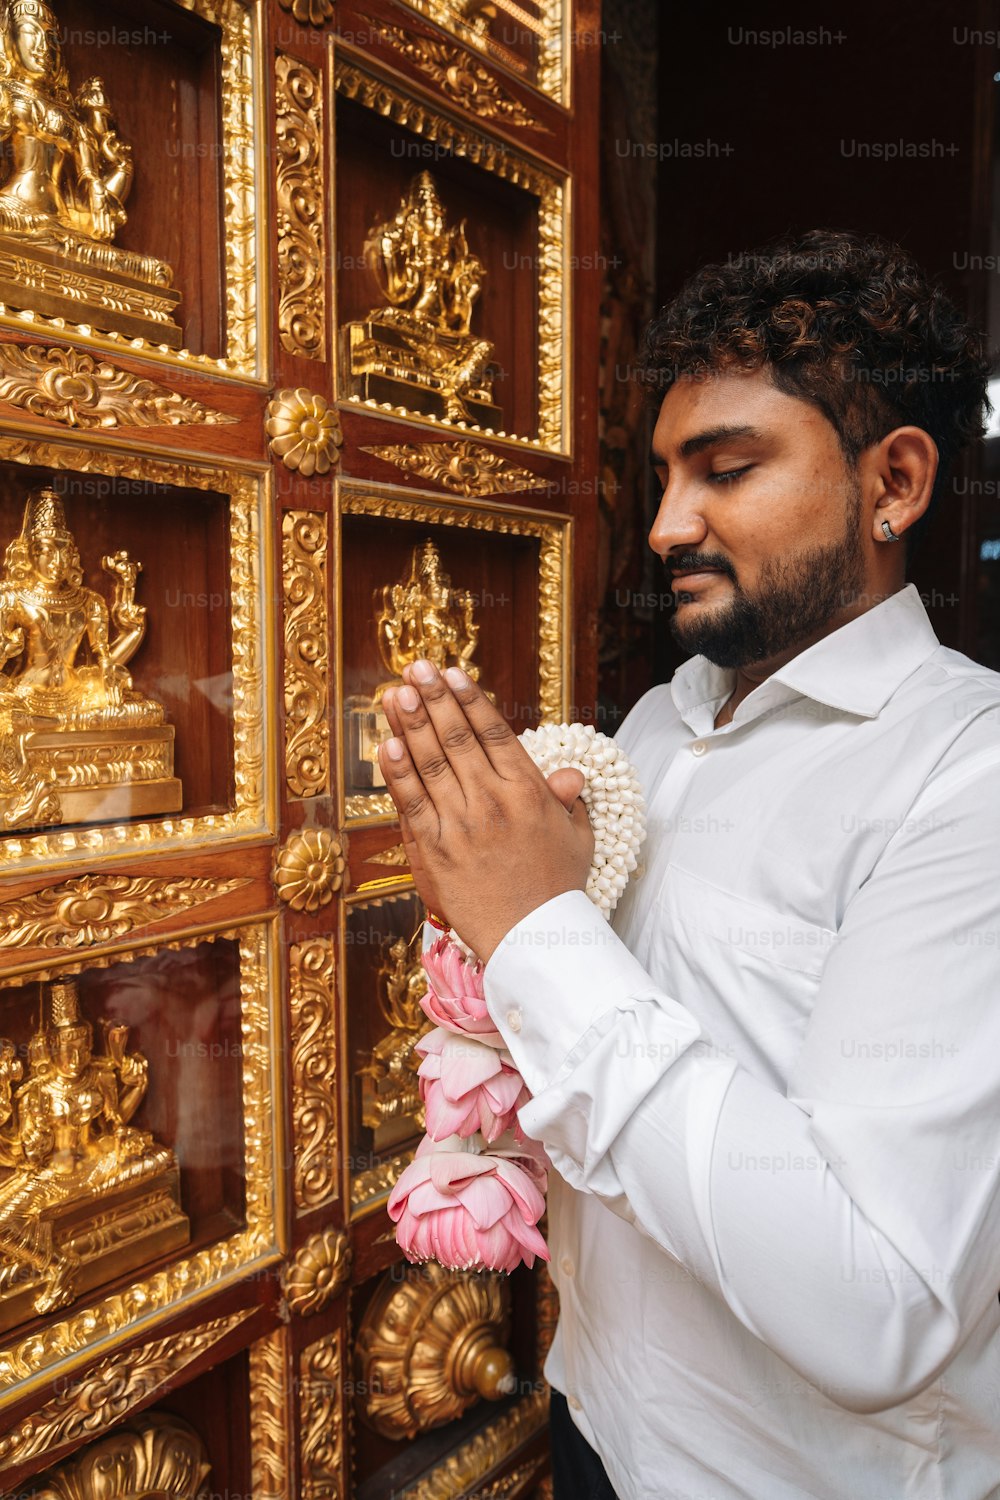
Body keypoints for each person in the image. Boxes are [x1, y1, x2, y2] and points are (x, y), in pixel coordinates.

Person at [376, 230, 1000, 1500]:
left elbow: (878, 1304)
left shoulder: (965, 778)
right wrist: (481, 903)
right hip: (599, 1413)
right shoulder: (659, 722)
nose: (665, 525)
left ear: (893, 482)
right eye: (660, 476)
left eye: (725, 470)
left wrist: (537, 929)